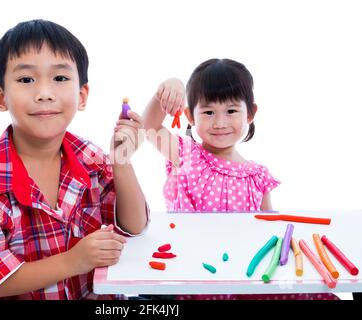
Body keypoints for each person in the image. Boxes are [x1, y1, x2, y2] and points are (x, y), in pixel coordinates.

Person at [0, 19, 148, 300]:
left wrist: (121, 163)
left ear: (82, 95)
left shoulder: (91, 158)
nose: (44, 94)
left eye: (60, 78)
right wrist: (74, 261)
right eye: (26, 80)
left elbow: (134, 226)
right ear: (1, 97)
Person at [142, 58, 337, 300]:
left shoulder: (258, 176)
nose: (220, 122)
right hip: (194, 275)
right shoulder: (185, 154)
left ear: (250, 113)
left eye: (231, 111)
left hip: (247, 278)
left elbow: (272, 231)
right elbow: (148, 126)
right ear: (191, 116)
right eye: (208, 111)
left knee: (323, 296)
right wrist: (168, 88)